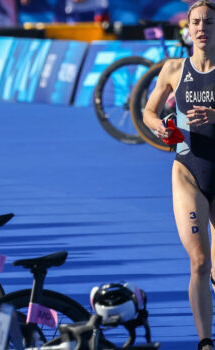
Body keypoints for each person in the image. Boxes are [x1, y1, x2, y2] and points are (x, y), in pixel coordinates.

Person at [142, 1, 215, 349]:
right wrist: (158, 126)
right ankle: (205, 342)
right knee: (199, 261)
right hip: (188, 171)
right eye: (196, 22)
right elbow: (148, 110)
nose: (202, 28)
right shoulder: (173, 69)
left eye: (209, 22)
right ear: (187, 28)